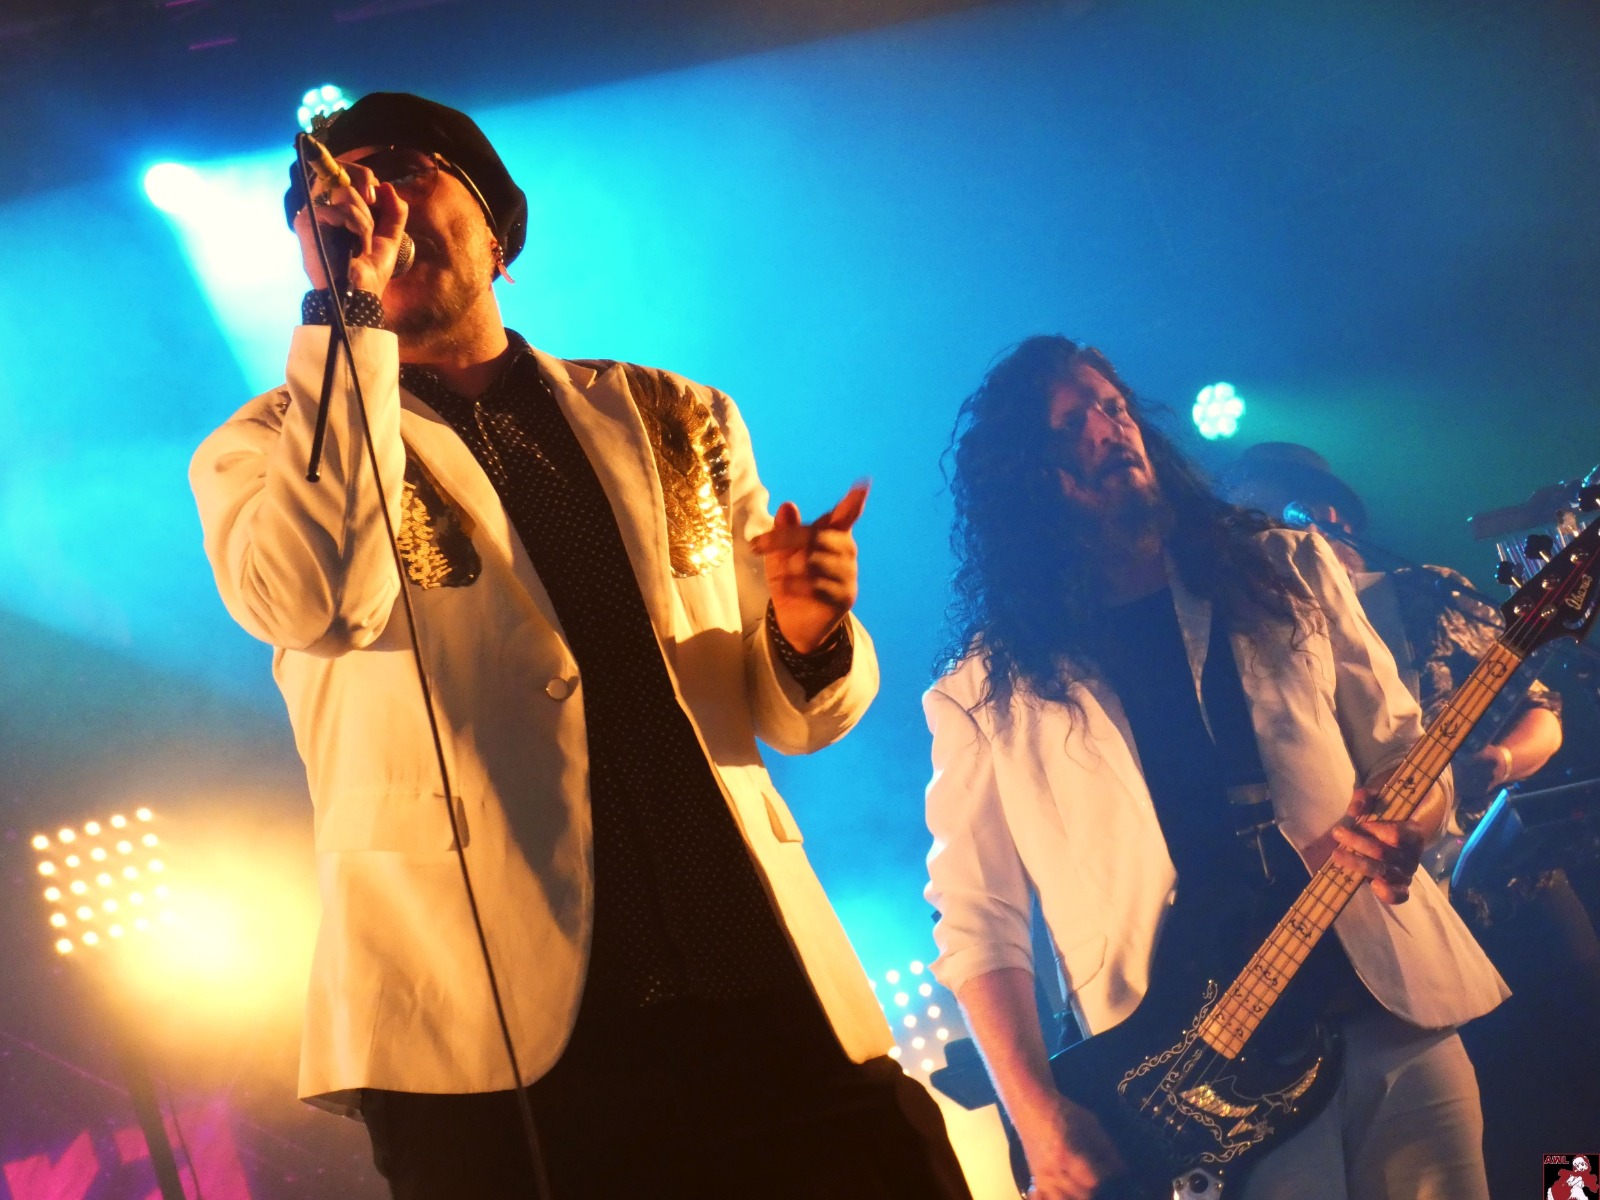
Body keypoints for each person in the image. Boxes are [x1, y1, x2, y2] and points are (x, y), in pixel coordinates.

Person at [190, 92, 971, 1200]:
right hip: (492, 1049)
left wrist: (808, 630)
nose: (365, 203)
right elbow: (322, 602)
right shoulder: (265, 446)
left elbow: (793, 717)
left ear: (497, 230)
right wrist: (344, 317)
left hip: (761, 990)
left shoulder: (675, 413)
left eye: (400, 169)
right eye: (328, 196)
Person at [922, 336, 1508, 1199]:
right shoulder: (983, 690)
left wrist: (1408, 827)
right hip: (1207, 1080)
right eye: (1071, 425)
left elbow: (1401, 751)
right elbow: (979, 920)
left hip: (1389, 1008)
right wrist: (1037, 1116)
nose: (1109, 429)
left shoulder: (1283, 568)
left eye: (1113, 407)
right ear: (1022, 481)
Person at [1219, 441, 1563, 819]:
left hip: (1453, 842)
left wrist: (1502, 760)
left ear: (1322, 517)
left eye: (1263, 525)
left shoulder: (1420, 593)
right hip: (1335, 846)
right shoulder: (1240, 635)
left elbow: (1541, 712)